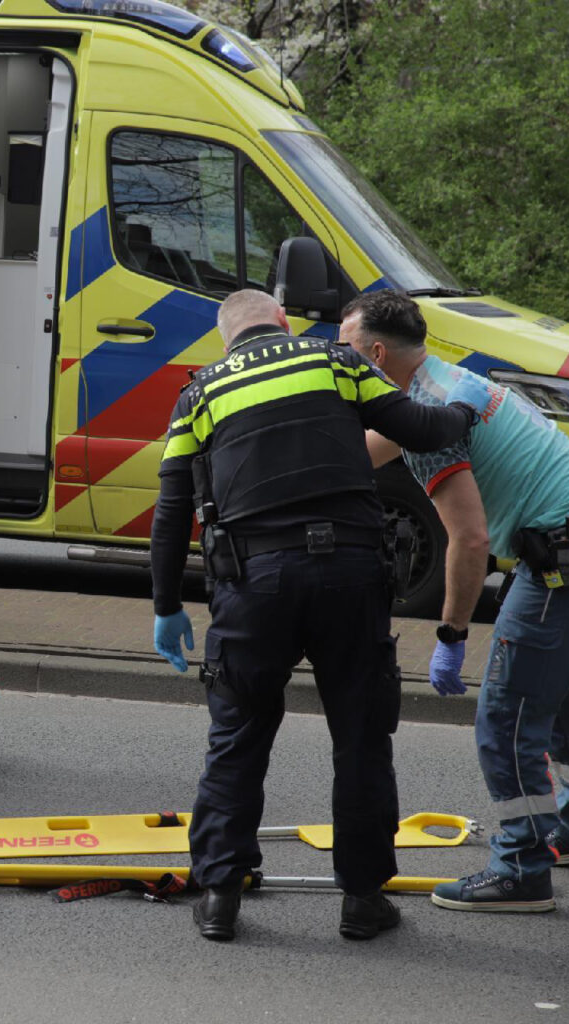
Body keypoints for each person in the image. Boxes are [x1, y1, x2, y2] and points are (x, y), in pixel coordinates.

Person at [149, 289, 489, 941]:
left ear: (227, 341)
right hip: (349, 575)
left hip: (252, 588)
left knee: (237, 737)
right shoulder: (331, 362)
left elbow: (171, 514)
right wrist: (463, 408)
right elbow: (418, 429)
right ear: (281, 323)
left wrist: (167, 606)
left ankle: (220, 894)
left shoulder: (199, 394)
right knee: (360, 738)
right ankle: (362, 901)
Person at [343, 289, 569, 912]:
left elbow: (469, 539)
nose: (337, 362)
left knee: (507, 719)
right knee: (565, 700)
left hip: (562, 564)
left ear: (373, 353)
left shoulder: (430, 418)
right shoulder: (451, 383)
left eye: (344, 352)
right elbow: (361, 452)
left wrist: (451, 637)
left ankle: (523, 870)